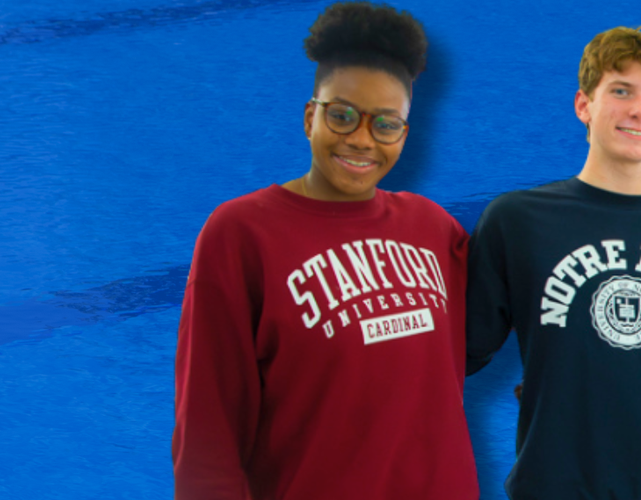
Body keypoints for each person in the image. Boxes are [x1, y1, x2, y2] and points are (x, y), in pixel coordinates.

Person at [172, 3, 477, 499]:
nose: (360, 139)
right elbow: (207, 432)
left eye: (385, 124)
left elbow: (509, 318)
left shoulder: (433, 229)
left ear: (404, 133)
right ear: (311, 116)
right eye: (342, 116)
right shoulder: (241, 233)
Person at [464, 26, 641, 500]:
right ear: (584, 105)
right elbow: (455, 354)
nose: (640, 109)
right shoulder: (518, 219)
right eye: (621, 91)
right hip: (557, 485)